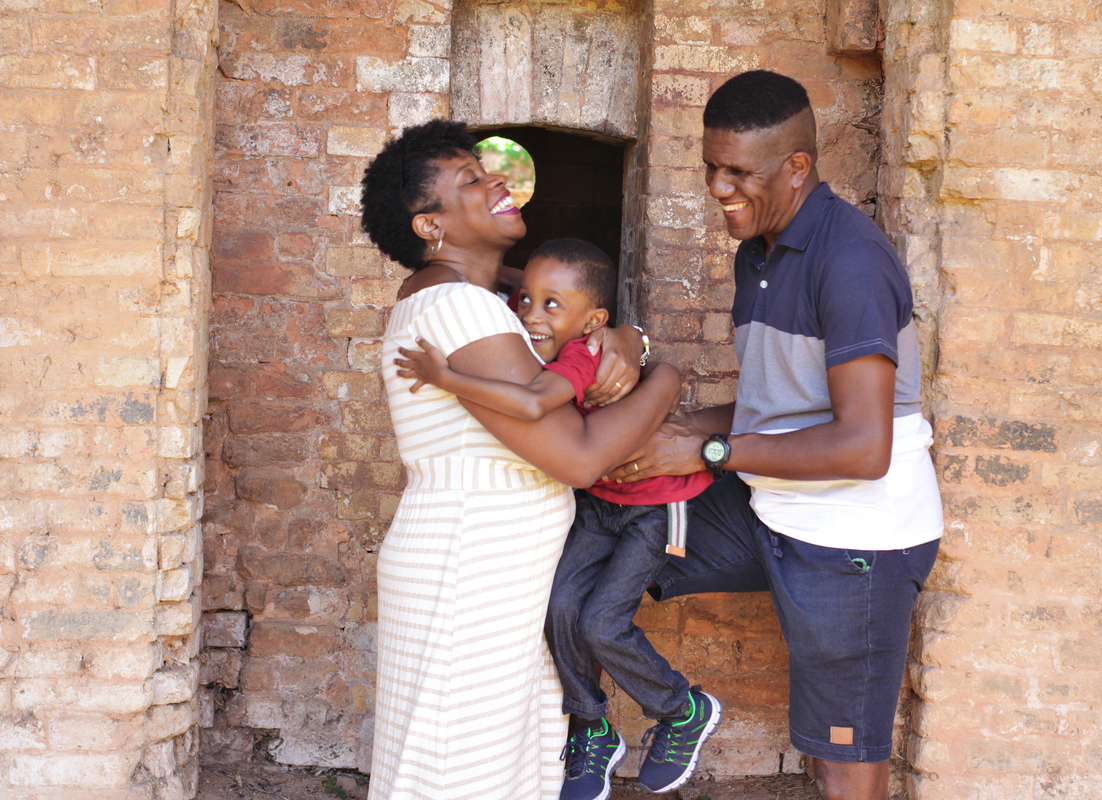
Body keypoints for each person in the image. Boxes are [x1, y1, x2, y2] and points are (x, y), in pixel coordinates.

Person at [605, 71, 944, 800]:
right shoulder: (757, 248)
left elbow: (862, 445)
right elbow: (783, 404)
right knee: (606, 532)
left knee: (842, 759)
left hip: (858, 538)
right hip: (774, 507)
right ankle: (614, 726)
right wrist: (687, 425)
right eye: (710, 167)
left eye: (738, 173)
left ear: (798, 168)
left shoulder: (848, 261)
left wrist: (706, 451)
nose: (718, 188)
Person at [361, 119, 675, 800]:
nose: (497, 181)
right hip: (467, 573)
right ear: (429, 226)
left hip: (490, 575)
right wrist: (665, 378)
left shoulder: (479, 302)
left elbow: (564, 329)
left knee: (496, 769)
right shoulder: (458, 308)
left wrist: (625, 337)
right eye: (471, 181)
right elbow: (578, 455)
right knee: (454, 774)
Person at [395, 238, 721, 800]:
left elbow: (528, 404)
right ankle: (592, 728)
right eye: (525, 300)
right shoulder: (535, 339)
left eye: (551, 305)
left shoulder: (580, 356)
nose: (530, 314)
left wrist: (447, 379)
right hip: (600, 503)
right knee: (560, 607)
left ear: (593, 319)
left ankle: (681, 708)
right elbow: (512, 287)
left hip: (652, 505)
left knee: (600, 621)